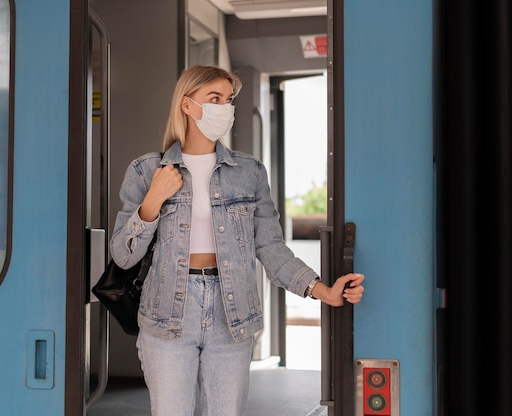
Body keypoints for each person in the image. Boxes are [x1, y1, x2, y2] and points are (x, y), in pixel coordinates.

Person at [109, 65, 365, 416]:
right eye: (213, 99)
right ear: (187, 105)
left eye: (228, 100)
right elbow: (123, 256)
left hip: (233, 313)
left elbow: (270, 247)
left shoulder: (249, 172)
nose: (224, 109)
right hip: (167, 313)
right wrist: (152, 201)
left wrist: (323, 291)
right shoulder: (146, 170)